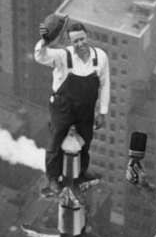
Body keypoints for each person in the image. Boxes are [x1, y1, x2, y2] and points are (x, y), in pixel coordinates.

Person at [34, 17, 110, 193]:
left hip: (86, 107)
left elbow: (105, 84)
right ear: (70, 41)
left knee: (85, 139)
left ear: (87, 37)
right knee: (56, 141)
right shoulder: (62, 56)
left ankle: (82, 172)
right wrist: (45, 41)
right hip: (63, 107)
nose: (80, 44)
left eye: (82, 39)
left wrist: (103, 112)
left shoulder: (100, 57)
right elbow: (40, 56)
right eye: (76, 41)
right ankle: (53, 178)